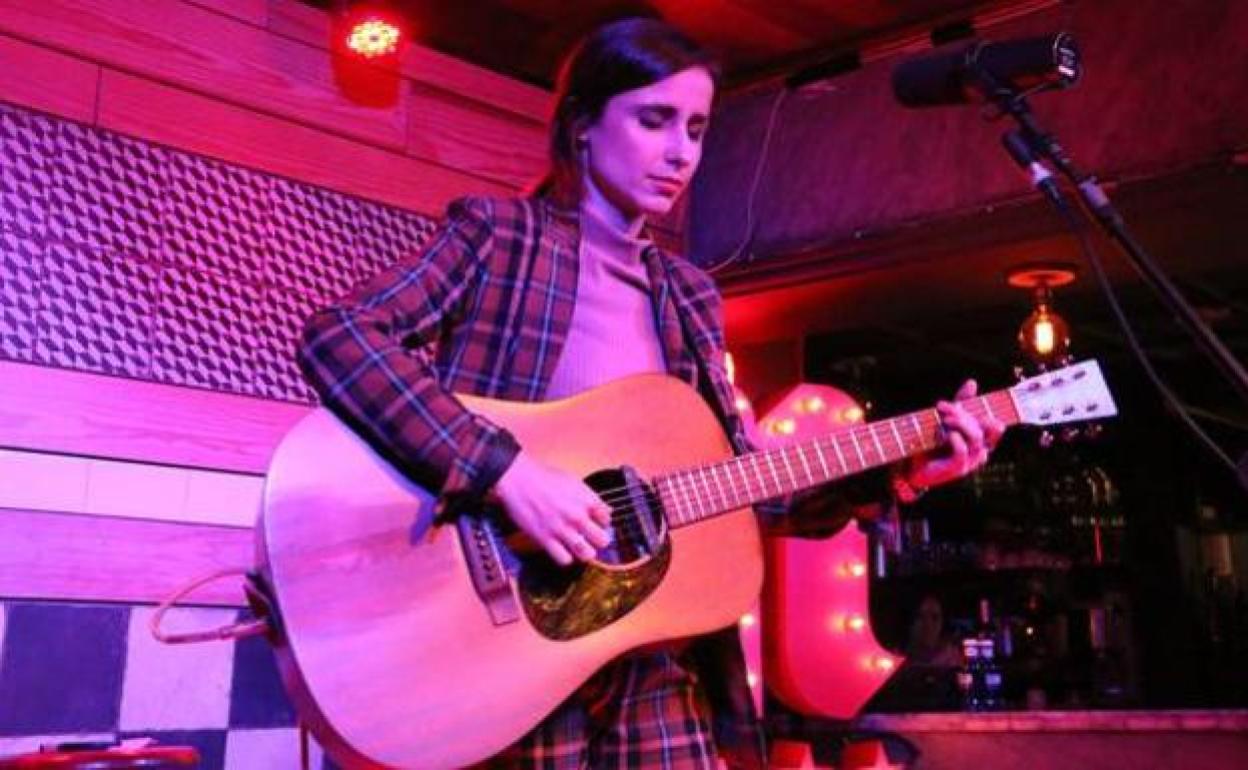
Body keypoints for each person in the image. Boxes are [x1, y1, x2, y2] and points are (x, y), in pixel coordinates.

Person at [298, 16, 1003, 770]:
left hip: (655, 663)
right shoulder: (501, 238)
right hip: (512, 653)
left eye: (696, 129)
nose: (681, 153)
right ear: (582, 128)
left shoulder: (689, 296)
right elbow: (340, 336)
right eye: (654, 120)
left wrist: (899, 475)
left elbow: (741, 486)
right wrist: (507, 472)